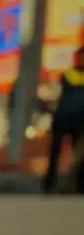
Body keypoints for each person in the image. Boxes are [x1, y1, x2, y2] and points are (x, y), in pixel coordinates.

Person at [44, 46, 84, 194]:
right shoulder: (67, 75)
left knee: (79, 155)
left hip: (80, 122)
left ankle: (78, 186)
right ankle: (49, 184)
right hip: (63, 118)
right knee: (55, 152)